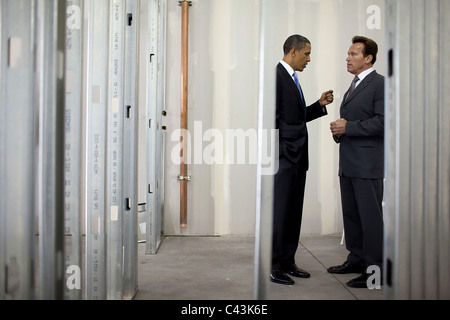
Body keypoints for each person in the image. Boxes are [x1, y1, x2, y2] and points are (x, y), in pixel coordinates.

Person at [271, 34, 334, 285]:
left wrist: (318, 106)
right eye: (307, 54)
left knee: (293, 212)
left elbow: (293, 118)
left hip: (298, 158)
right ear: (293, 51)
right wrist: (280, 154)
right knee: (280, 213)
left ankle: (288, 261)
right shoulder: (277, 76)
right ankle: (274, 264)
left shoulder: (292, 79)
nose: (309, 59)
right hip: (284, 159)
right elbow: (271, 120)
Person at [328, 36, 384, 288]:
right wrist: (341, 130)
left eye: (353, 54)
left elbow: (384, 122)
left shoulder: (380, 84)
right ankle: (357, 258)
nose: (348, 58)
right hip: (349, 161)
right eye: (348, 54)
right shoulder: (355, 84)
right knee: (352, 215)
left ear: (368, 58)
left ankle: (375, 271)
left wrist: (348, 127)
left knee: (370, 217)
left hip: (367, 163)